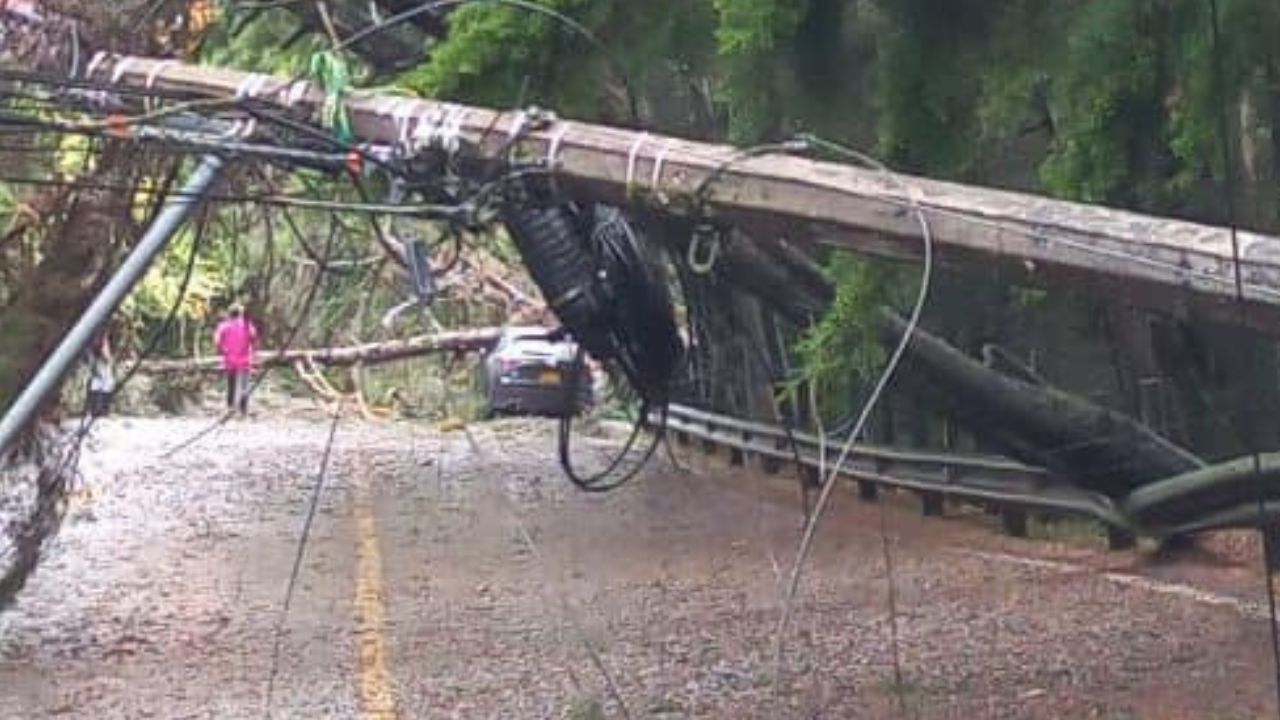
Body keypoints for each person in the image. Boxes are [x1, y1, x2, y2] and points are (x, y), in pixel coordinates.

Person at [214, 303, 258, 416]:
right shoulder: (247, 325)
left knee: (231, 384)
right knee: (245, 385)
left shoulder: (223, 326)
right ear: (241, 313)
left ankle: (230, 407)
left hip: (230, 359)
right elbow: (253, 338)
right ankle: (244, 410)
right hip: (245, 360)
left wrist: (223, 350)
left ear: (229, 313)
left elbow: (217, 341)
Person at [86, 333, 115, 418]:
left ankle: (100, 410)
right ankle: (97, 411)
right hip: (100, 370)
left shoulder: (100, 343)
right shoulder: (98, 346)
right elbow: (106, 357)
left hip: (101, 370)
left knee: (103, 386)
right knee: (100, 387)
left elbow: (106, 358)